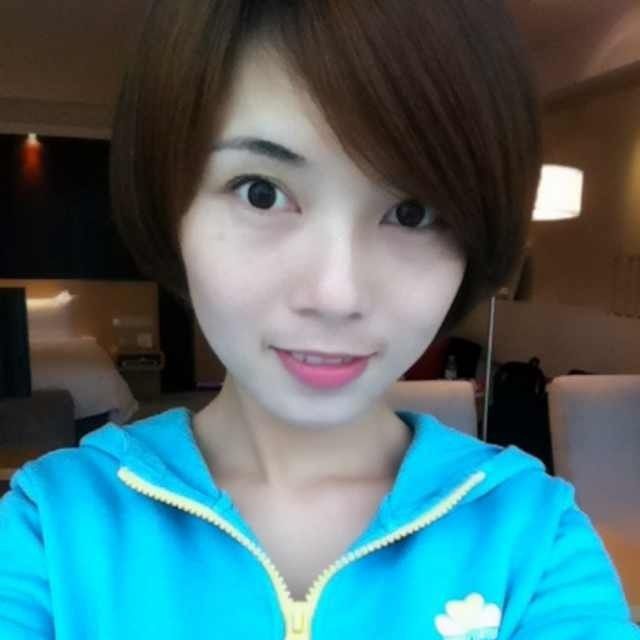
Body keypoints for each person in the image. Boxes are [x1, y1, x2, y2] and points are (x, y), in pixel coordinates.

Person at [1, 1, 638, 638]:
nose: (336, 295)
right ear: (174, 209)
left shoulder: (533, 540)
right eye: (261, 192)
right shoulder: (50, 532)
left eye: (412, 212)